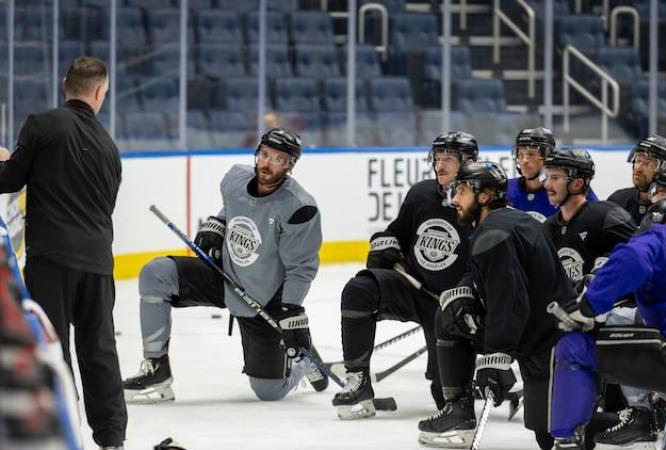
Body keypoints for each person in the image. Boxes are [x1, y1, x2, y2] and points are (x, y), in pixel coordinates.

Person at [122, 127, 329, 404]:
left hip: (264, 299)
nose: (266, 163)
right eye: (264, 154)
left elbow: (301, 268)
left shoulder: (300, 208)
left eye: (277, 158)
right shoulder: (235, 178)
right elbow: (233, 208)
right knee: (155, 273)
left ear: (290, 165)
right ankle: (156, 368)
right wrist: (218, 225)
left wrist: (290, 310)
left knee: (269, 391)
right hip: (225, 276)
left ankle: (306, 358)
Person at [0, 57, 126, 450]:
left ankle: (64, 434)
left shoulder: (43, 123)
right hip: (99, 262)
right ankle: (112, 438)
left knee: (54, 348)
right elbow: (105, 207)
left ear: (63, 83)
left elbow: (10, 180)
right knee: (99, 349)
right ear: (100, 92)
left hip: (52, 258)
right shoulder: (110, 147)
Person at [417, 161, 577, 449]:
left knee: (551, 436)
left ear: (485, 195)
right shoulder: (513, 221)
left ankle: (460, 411)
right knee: (452, 307)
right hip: (551, 336)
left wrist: (497, 354)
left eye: (462, 191)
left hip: (543, 346)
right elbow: (495, 279)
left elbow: (510, 298)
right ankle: (459, 410)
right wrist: (464, 288)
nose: (454, 199)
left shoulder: (492, 233)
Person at [331, 132, 478, 420]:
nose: (440, 165)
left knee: (444, 396)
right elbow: (395, 233)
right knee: (359, 288)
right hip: (414, 289)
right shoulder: (421, 194)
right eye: (437, 158)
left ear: (469, 162)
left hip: (452, 306)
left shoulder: (480, 203)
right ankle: (358, 380)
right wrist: (384, 244)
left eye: (448, 158)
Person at [549, 193, 666, 450]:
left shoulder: (663, 236)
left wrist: (587, 306)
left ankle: (567, 443)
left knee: (573, 348)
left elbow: (635, 259)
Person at [541, 148, 636, 287]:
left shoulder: (606, 215)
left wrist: (606, 268)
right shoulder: (548, 228)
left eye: (555, 178)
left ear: (577, 184)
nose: (547, 184)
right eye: (547, 177)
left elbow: (640, 251)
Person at [507, 127, 597, 223]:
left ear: (547, 156)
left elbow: (598, 218)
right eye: (520, 155)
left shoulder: (567, 189)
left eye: (531, 154)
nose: (524, 160)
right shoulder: (505, 189)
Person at [608, 135, 666, 225]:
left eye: (648, 164)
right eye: (638, 160)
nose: (638, 168)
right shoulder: (617, 200)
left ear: (665, 169)